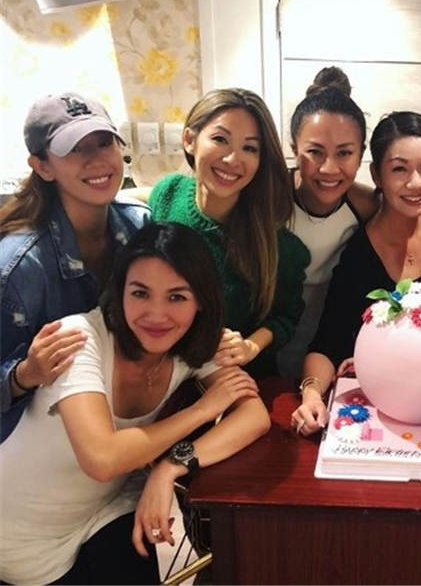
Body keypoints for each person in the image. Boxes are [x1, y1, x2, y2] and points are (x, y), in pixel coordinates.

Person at [0, 222, 270, 585]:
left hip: (104, 508)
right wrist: (202, 410)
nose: (156, 315)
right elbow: (102, 458)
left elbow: (254, 415)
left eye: (177, 297)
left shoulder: (196, 342)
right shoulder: (77, 339)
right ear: (121, 291)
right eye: (140, 293)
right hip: (19, 533)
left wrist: (171, 466)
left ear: (201, 301)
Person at [0, 92, 148, 439]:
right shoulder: (19, 268)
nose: (97, 160)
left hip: (123, 421)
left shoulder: (140, 227)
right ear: (43, 166)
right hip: (34, 444)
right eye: (75, 149)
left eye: (104, 142)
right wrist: (25, 373)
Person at [291, 111, 421, 435]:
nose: (416, 183)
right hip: (381, 410)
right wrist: (311, 393)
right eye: (399, 169)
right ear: (376, 174)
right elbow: (327, 344)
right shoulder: (359, 251)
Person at [149, 88, 309, 378]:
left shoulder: (276, 245)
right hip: (162, 370)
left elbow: (286, 317)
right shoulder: (167, 194)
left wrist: (250, 346)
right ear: (189, 140)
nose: (233, 159)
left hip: (235, 377)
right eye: (220, 139)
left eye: (250, 148)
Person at [277, 67, 379, 378]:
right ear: (294, 149)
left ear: (361, 154)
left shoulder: (367, 206)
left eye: (345, 153)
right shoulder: (270, 199)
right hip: (266, 336)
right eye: (315, 152)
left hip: (329, 339)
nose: (329, 168)